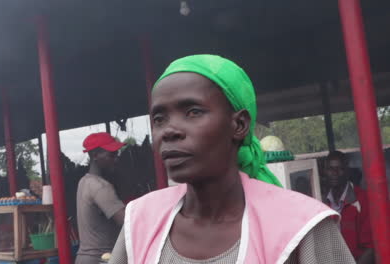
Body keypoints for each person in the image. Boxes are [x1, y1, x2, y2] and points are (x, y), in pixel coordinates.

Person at [109, 55, 355, 263]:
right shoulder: (140, 220)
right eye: (159, 118)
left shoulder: (303, 227)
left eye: (193, 112)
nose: (169, 130)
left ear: (239, 124)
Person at [75, 132, 126, 264]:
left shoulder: (84, 181)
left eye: (117, 154)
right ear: (95, 155)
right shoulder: (101, 187)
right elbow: (127, 223)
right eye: (111, 155)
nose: (116, 158)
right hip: (100, 259)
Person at [324, 151, 374, 263]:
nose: (334, 173)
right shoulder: (322, 203)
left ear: (346, 171)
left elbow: (371, 248)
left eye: (339, 168)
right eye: (330, 169)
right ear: (324, 172)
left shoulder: (362, 200)